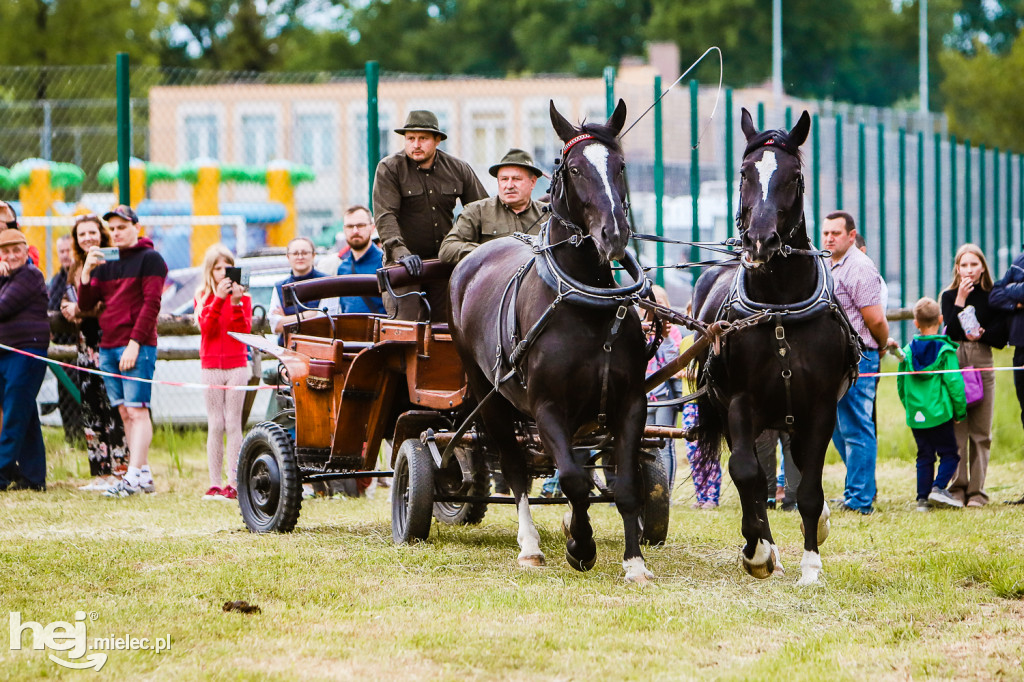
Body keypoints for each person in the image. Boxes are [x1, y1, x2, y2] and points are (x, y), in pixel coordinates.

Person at [78, 205, 167, 498]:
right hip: (108, 345)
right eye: (112, 229)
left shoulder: (150, 259)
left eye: (122, 227)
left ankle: (131, 475)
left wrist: (135, 343)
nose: (116, 233)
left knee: (138, 410)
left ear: (136, 227)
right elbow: (86, 304)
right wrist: (87, 272)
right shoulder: (105, 260)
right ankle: (141, 473)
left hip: (136, 345)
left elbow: (151, 305)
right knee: (125, 412)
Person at [372, 110, 487, 321]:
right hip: (402, 264)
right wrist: (400, 253)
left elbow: (482, 211)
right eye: (410, 139)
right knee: (404, 330)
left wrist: (476, 250)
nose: (416, 144)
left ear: (437, 141)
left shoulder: (458, 168)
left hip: (444, 263)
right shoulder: (389, 168)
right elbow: (385, 215)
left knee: (449, 331)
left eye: (423, 138)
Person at [822, 211, 888, 515]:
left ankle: (860, 500)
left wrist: (881, 346)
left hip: (861, 356)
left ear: (852, 236)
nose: (829, 238)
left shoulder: (860, 268)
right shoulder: (828, 264)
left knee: (858, 427)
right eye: (826, 233)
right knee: (837, 427)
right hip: (833, 359)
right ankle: (858, 488)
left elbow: (875, 319)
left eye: (836, 233)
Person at [61, 215, 129, 491]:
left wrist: (78, 309)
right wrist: (75, 310)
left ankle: (122, 469)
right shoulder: (75, 267)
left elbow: (104, 304)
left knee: (114, 404)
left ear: (101, 234)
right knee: (90, 407)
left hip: (110, 342)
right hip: (85, 346)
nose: (87, 238)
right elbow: (66, 302)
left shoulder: (113, 263)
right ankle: (100, 473)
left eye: (92, 232)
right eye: (81, 234)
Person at [940, 244, 1006, 507]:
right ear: (957, 268)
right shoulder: (948, 295)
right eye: (964, 265)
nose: (968, 270)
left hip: (982, 359)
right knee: (958, 428)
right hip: (956, 360)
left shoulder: (993, 296)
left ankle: (977, 492)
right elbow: (948, 330)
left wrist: (983, 334)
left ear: (983, 267)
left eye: (973, 265)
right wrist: (959, 301)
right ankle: (958, 487)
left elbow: (1002, 336)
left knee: (981, 430)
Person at [896, 297, 967, 511]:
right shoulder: (945, 351)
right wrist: (960, 411)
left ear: (915, 323)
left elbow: (901, 383)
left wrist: (909, 407)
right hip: (940, 413)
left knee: (924, 455)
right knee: (950, 454)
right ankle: (938, 488)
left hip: (917, 414)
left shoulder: (907, 352)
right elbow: (955, 383)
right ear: (941, 319)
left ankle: (922, 500)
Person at [195, 244, 252, 501]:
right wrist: (218, 299)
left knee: (233, 422)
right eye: (217, 268)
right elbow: (206, 329)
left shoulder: (244, 297)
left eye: (226, 267)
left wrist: (237, 303)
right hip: (211, 367)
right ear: (210, 270)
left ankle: (234, 481)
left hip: (237, 365)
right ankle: (214, 482)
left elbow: (243, 332)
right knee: (215, 423)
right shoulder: (203, 296)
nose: (222, 273)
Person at [0, 228, 50, 491]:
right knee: (25, 414)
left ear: (26, 250)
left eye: (16, 250)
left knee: (14, 415)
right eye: (5, 252)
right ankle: (33, 477)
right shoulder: (5, 277)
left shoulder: (30, 275)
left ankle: (1, 474)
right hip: (6, 354)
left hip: (26, 353)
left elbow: (3, 307)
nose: (11, 256)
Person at [439, 148, 547, 265]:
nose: (509, 185)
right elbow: (447, 249)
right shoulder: (477, 211)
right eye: (504, 179)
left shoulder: (548, 214)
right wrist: (490, 252)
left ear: (532, 182)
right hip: (494, 281)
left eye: (516, 179)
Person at [990, 247, 1024, 505]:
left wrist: (1015, 289)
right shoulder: (1019, 261)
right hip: (1020, 350)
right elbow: (996, 294)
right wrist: (1017, 296)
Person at [644, 286, 683, 493]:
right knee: (645, 445)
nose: (656, 306)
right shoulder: (638, 327)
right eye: (652, 302)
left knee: (664, 446)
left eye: (660, 302)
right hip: (642, 396)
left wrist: (666, 337)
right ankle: (648, 490)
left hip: (664, 395)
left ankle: (664, 493)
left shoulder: (673, 331)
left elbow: (673, 364)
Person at [47, 233, 84, 441]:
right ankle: (71, 437)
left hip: (78, 344)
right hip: (61, 348)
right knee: (65, 394)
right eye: (61, 251)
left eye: (68, 250)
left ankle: (83, 436)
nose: (65, 255)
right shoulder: (56, 279)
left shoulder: (79, 276)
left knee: (80, 392)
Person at [318, 206, 385, 315]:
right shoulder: (343, 268)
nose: (355, 231)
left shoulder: (384, 263)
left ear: (372, 228)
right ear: (344, 230)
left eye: (360, 225)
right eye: (350, 226)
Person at [268, 236, 327, 343]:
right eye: (295, 253)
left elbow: (324, 322)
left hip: (319, 352)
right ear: (288, 256)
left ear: (313, 255)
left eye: (304, 253)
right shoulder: (280, 287)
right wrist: (307, 315)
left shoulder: (326, 282)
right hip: (288, 352)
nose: (300, 257)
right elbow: (275, 326)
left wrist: (287, 320)